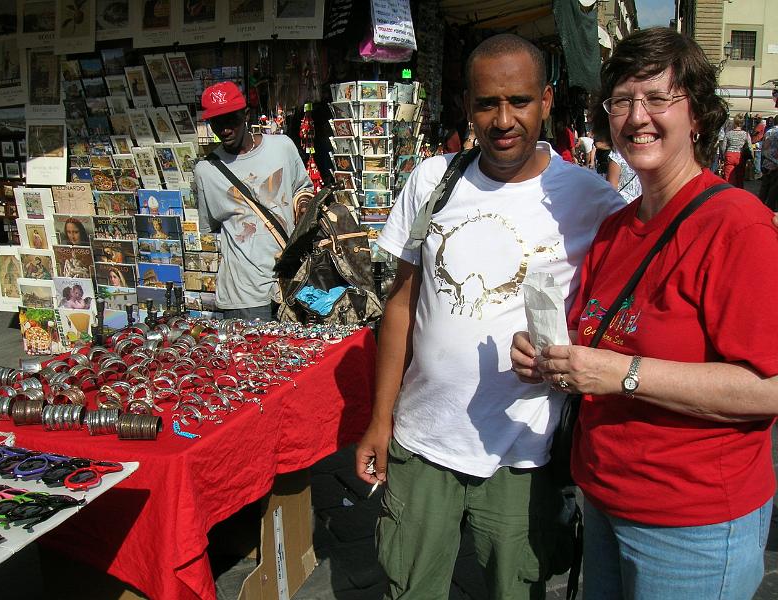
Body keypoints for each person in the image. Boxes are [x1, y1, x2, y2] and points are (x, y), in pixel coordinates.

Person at [355, 34, 625, 600]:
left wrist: (566, 351)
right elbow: (400, 306)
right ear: (467, 107)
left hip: (523, 452)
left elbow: (615, 316)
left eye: (520, 101)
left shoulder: (591, 200)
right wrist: (380, 421)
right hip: (423, 438)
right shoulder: (432, 181)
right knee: (410, 585)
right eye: (487, 104)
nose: (504, 120)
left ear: (546, 102)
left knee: (515, 587)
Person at [511, 27, 778, 600]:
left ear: (697, 115)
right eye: (623, 101)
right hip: (605, 501)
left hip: (693, 526)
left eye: (658, 98)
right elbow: (594, 344)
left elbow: (769, 387)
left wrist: (625, 374)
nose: (638, 117)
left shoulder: (737, 225)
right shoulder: (615, 228)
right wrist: (548, 358)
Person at [193, 81, 311, 321]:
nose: (225, 129)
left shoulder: (283, 147)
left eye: (231, 120)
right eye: (217, 122)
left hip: (292, 285)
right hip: (243, 295)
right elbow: (211, 226)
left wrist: (303, 208)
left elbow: (303, 189)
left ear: (246, 115)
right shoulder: (206, 171)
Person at [722, 113, 751, 188]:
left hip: (729, 155)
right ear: (742, 124)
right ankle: (739, 191)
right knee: (740, 177)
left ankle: (729, 191)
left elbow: (723, 147)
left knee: (728, 177)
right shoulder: (746, 134)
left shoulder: (728, 133)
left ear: (734, 122)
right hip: (740, 156)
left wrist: (723, 156)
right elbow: (750, 147)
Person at [759, 117, 778, 210]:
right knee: (773, 190)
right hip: (776, 164)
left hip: (767, 162)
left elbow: (764, 147)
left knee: (764, 187)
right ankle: (770, 209)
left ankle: (759, 206)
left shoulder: (769, 132)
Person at [751, 114, 765, 179]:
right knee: (756, 157)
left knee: (757, 157)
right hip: (757, 142)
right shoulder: (760, 125)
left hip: (757, 142)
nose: (756, 120)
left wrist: (752, 132)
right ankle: (757, 171)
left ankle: (758, 172)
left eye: (757, 118)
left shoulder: (760, 125)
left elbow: (755, 132)